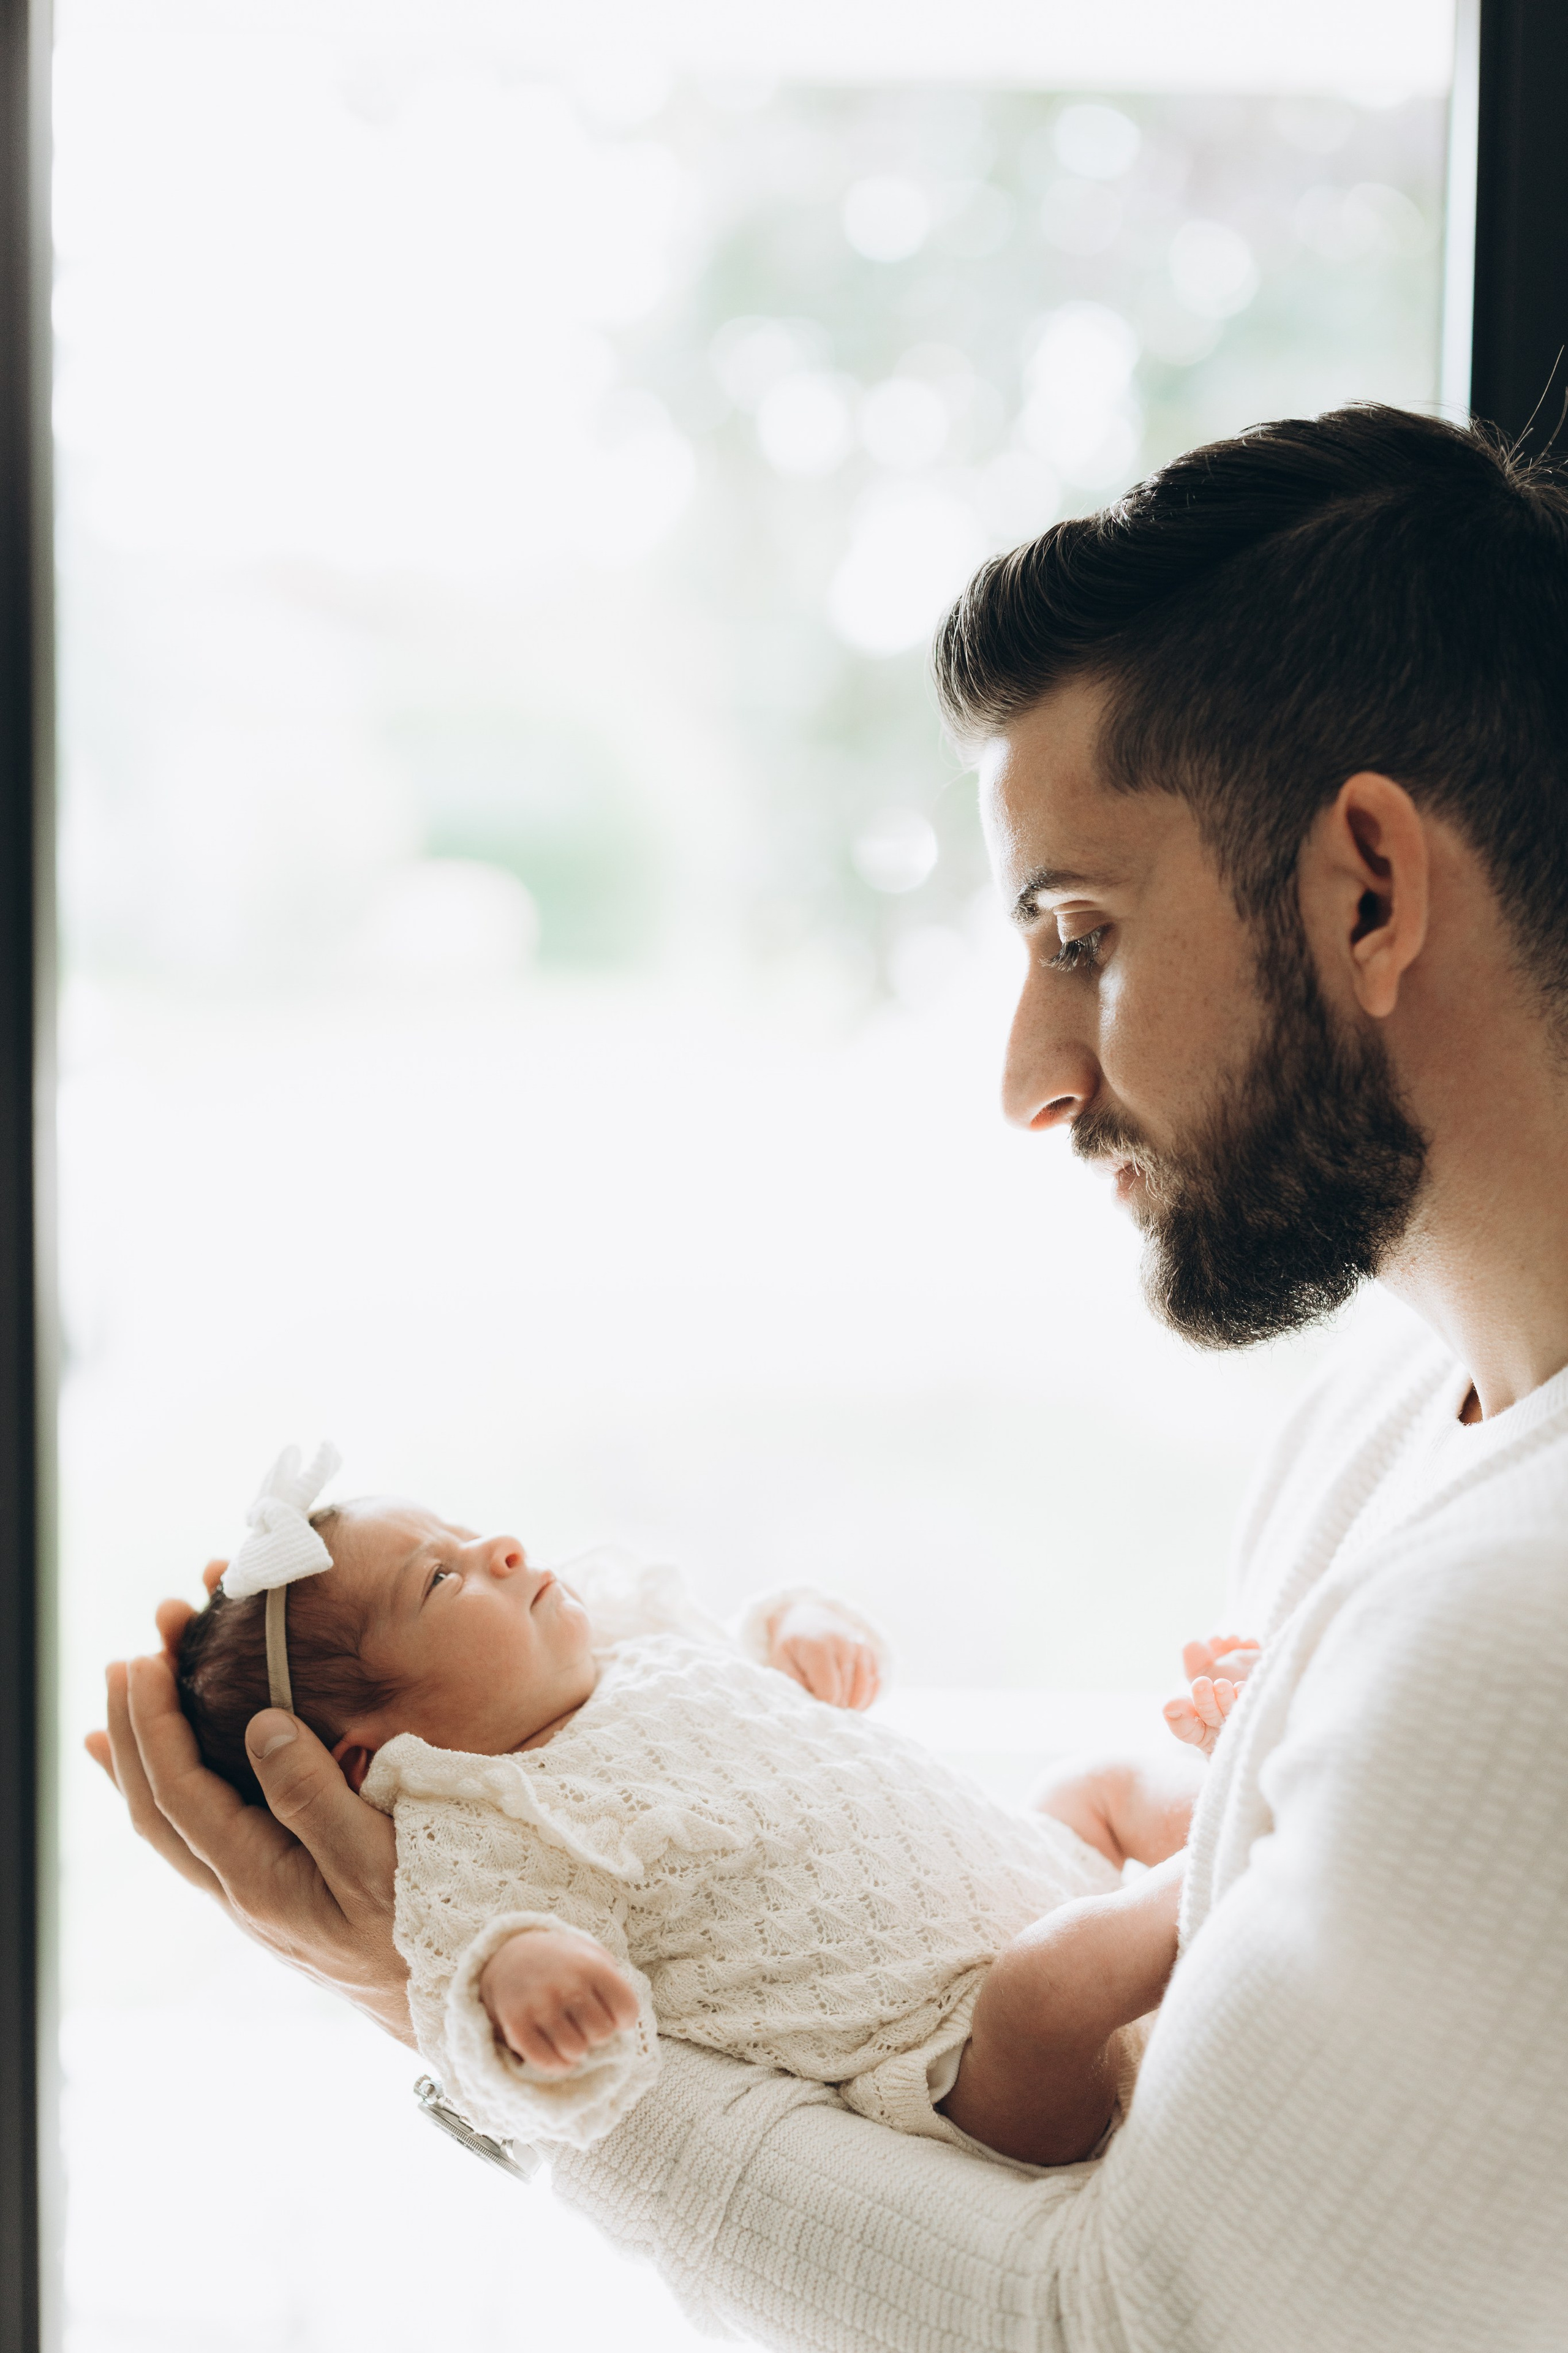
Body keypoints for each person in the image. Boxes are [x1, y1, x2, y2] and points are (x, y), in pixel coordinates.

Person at [90, 405, 1568, 2349]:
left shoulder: (1522, 1627)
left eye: (1082, 934)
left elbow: (1123, 2330)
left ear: (1367, 888)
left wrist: (428, 2008)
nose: (1029, 1080)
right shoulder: (1380, 1422)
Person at [177, 1447, 1208, 2170]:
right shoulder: (490, 1822)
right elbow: (469, 1980)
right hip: (970, 2056)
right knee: (1046, 1983)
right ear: (374, 1757)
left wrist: (805, 1624)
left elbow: (754, 1645)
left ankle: (1228, 1787)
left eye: (466, 1532)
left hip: (1036, 1867)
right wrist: (525, 1982)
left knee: (1098, 1785)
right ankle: (1237, 1855)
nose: (502, 1547)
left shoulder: (632, 1650)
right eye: (441, 1577)